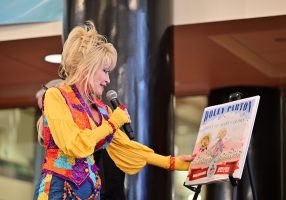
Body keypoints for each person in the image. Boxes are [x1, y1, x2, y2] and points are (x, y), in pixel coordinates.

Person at [33, 21, 193, 200]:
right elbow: (74, 145)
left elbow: (128, 148)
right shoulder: (56, 96)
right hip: (58, 191)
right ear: (88, 68)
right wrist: (112, 123)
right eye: (105, 71)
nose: (108, 79)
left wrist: (171, 162)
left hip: (92, 192)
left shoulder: (102, 110)